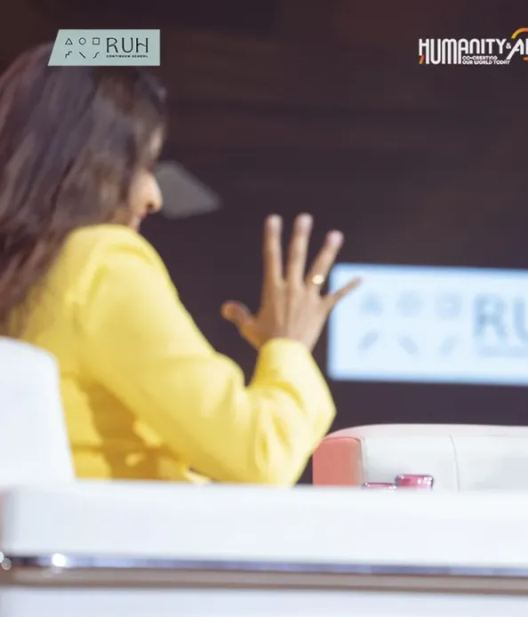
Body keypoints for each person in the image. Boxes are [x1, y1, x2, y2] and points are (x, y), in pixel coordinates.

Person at [0, 43, 359, 485]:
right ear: (88, 163)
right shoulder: (100, 263)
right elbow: (258, 453)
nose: (153, 196)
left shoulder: (23, 268)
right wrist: (289, 346)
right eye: (142, 165)